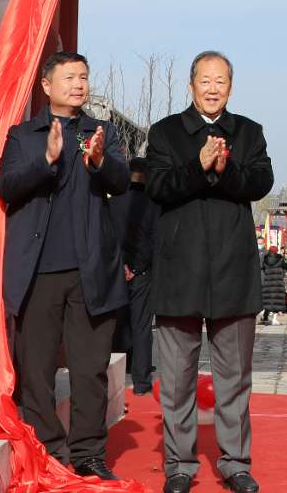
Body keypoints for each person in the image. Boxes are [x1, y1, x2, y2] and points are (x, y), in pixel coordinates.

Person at [0, 51, 130, 481]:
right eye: (70, 76)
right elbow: (7, 186)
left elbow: (121, 181)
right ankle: (48, 451)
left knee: (90, 369)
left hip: (91, 271)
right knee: (36, 369)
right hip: (38, 271)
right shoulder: (23, 136)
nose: (79, 84)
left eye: (84, 77)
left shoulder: (102, 133)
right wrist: (47, 160)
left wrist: (98, 161)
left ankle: (89, 453)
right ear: (46, 85)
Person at [146, 51, 272, 493]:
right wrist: (197, 166)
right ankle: (179, 465)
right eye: (205, 79)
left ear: (231, 88)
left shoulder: (249, 132)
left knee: (233, 378)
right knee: (176, 378)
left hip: (232, 272)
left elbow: (261, 183)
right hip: (180, 272)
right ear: (191, 84)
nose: (213, 87)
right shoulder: (165, 132)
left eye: (221, 81)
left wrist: (226, 168)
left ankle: (235, 462)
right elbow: (157, 187)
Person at [110, 155, 160, 395]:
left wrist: (121, 265)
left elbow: (107, 237)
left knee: (116, 325)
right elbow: (155, 241)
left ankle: (116, 379)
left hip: (116, 271)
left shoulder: (114, 202)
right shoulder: (154, 204)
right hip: (143, 273)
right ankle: (141, 382)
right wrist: (138, 267)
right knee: (141, 327)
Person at [260, 246, 287, 326]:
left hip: (268, 283)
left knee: (268, 301)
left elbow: (262, 269)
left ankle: (264, 316)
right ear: (276, 251)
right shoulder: (280, 260)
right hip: (277, 283)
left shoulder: (265, 260)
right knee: (276, 302)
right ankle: (274, 320)